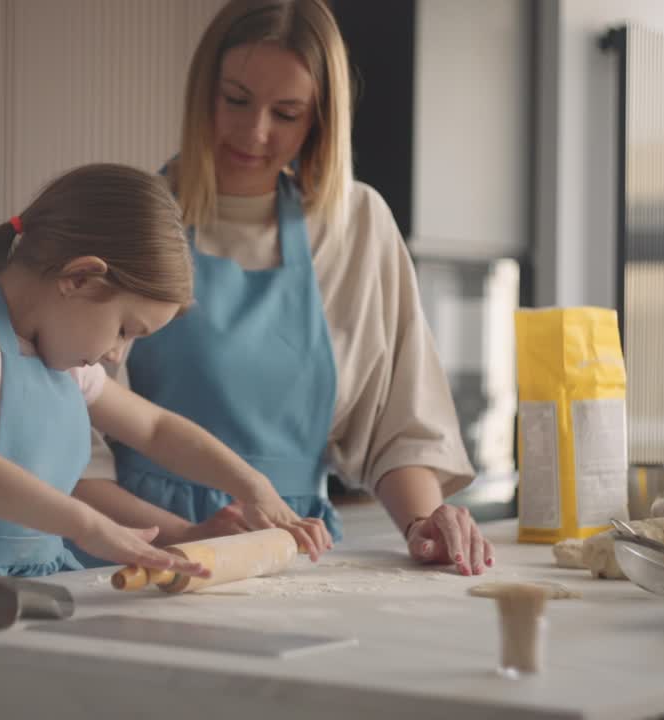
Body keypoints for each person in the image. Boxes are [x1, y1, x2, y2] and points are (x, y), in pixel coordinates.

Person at [74, 0, 495, 576]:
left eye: (288, 113)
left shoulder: (356, 226)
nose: (255, 132)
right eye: (236, 100)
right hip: (140, 545)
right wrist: (188, 539)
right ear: (204, 92)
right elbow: (73, 452)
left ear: (321, 119)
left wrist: (426, 524)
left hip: (293, 552)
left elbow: (398, 429)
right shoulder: (132, 223)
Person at [0, 164, 329, 592]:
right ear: (80, 278)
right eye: (124, 330)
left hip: (36, 588)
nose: (115, 354)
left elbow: (157, 429)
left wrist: (253, 486)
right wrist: (84, 525)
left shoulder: (62, 361)